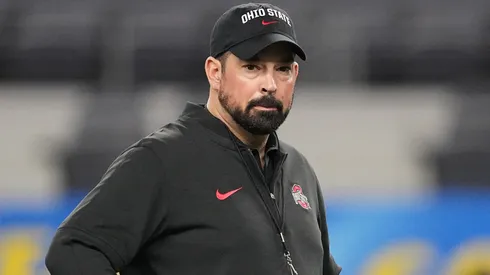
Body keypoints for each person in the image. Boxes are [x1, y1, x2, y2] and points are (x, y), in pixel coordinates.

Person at [45, 3, 342, 275]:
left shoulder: (298, 170)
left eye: (283, 69)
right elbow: (73, 252)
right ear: (215, 72)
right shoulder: (161, 159)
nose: (270, 84)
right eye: (252, 67)